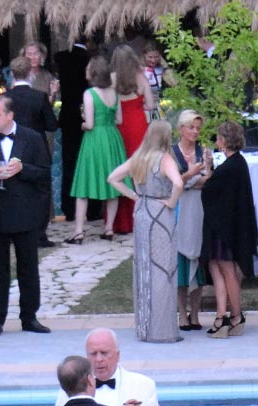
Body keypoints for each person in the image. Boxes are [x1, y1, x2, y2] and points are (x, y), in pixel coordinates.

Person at [0, 97, 52, 337]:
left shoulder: (32, 138)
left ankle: (29, 317)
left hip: (25, 213)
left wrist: (23, 169)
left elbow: (44, 174)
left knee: (28, 267)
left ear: (10, 115)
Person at [108, 119, 182, 343]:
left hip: (142, 212)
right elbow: (178, 183)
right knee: (163, 269)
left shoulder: (139, 157)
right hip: (160, 213)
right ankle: (163, 330)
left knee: (145, 269)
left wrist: (135, 197)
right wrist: (171, 202)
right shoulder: (164, 158)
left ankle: (145, 327)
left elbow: (113, 178)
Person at [200, 122, 258, 339]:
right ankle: (221, 314)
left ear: (224, 140)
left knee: (226, 269)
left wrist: (205, 173)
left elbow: (209, 188)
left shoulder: (232, 166)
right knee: (216, 267)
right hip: (224, 225)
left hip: (224, 227)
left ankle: (235, 314)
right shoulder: (236, 163)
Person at [69, 53, 125, 243]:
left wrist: (83, 123)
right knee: (113, 183)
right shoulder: (114, 93)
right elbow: (119, 119)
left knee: (84, 184)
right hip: (112, 138)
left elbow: (90, 124)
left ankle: (78, 231)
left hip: (95, 140)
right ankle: (109, 229)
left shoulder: (89, 94)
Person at [4, 56, 59, 245]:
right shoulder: (38, 97)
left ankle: (14, 229)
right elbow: (52, 125)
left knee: (13, 189)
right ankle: (39, 234)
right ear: (30, 74)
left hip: (11, 147)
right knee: (41, 192)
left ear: (12, 74)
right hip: (36, 148)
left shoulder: (5, 98)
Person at [170, 110, 213, 330]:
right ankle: (181, 314)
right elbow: (171, 182)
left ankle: (195, 313)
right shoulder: (172, 153)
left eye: (197, 128)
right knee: (180, 264)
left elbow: (207, 179)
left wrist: (197, 178)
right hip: (179, 209)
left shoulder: (203, 152)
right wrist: (191, 176)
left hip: (197, 209)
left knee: (197, 263)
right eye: (191, 127)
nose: (195, 132)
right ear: (181, 129)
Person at [109, 44, 154, 236]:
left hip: (120, 127)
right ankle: (143, 215)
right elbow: (151, 106)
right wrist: (140, 104)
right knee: (141, 170)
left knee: (121, 169)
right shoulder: (141, 79)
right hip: (139, 126)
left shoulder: (111, 79)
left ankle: (122, 222)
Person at [55, 40, 92, 220]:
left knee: (69, 163)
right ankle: (92, 209)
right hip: (86, 115)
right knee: (89, 163)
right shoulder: (88, 59)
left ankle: (69, 207)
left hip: (68, 117)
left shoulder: (60, 57)